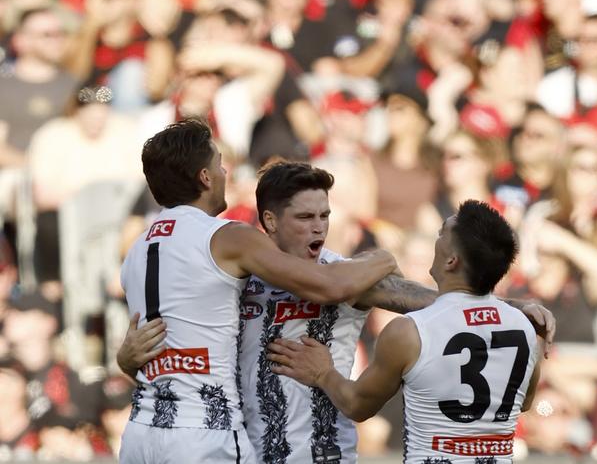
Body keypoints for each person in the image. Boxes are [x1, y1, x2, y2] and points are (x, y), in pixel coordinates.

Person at [119, 162, 555, 463]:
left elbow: (441, 304)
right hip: (244, 450)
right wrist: (127, 358)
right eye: (305, 216)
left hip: (321, 453)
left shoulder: (349, 277)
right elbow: (179, 344)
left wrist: (511, 307)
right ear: (269, 222)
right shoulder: (236, 278)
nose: (319, 227)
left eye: (325, 215)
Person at [117, 120, 397, 464]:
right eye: (219, 164)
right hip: (204, 435)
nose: (224, 172)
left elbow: (158, 355)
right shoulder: (228, 237)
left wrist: (124, 359)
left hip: (140, 431)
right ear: (205, 177)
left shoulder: (136, 249)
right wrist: (382, 256)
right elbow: (329, 285)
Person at [269, 200, 544, 463]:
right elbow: (525, 401)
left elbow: (357, 405)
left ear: (451, 261)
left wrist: (323, 373)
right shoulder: (525, 328)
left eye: (441, 234)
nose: (435, 239)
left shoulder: (410, 330)